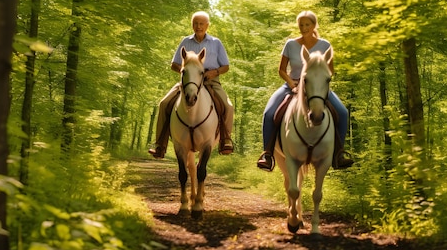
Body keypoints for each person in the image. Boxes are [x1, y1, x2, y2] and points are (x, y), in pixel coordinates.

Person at [257, 11, 354, 171]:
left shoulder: (325, 45)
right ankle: (267, 154)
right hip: (292, 86)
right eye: (301, 25)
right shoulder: (290, 44)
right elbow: (281, 70)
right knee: (269, 113)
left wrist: (317, 82)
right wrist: (292, 84)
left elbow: (330, 71)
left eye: (307, 24)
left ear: (314, 25)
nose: (303, 28)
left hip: (317, 89)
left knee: (342, 113)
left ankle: (339, 153)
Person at [148, 11, 234, 158]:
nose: (198, 26)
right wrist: (184, 71)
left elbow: (225, 66)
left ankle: (225, 140)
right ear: (192, 25)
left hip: (210, 81)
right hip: (188, 81)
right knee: (164, 103)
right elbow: (174, 64)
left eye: (201, 24)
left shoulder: (216, 43)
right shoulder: (185, 41)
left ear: (207, 25)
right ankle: (160, 144)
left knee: (228, 106)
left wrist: (213, 73)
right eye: (195, 23)